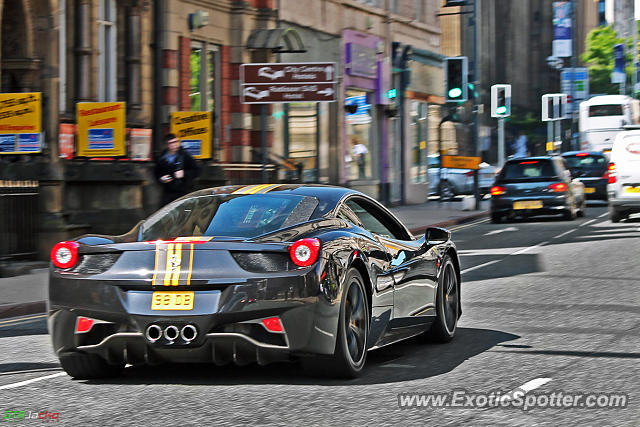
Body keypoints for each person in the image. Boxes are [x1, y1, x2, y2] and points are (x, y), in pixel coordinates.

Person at [155, 133, 199, 207]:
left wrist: (184, 174)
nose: (174, 145)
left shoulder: (184, 155)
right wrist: (161, 179)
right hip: (168, 192)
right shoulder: (161, 158)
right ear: (166, 145)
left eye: (176, 142)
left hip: (183, 191)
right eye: (171, 143)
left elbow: (197, 170)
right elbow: (157, 172)